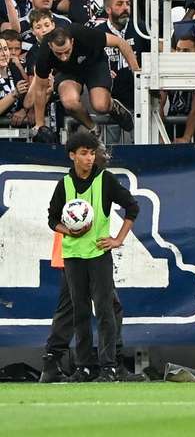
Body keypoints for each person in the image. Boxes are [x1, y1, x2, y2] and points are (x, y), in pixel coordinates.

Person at [46, 131, 139, 382]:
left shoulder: (105, 180)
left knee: (105, 311)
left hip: (99, 254)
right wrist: (70, 230)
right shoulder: (64, 183)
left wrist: (118, 239)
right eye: (84, 153)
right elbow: (52, 218)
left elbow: (132, 207)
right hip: (73, 256)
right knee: (80, 312)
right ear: (72, 155)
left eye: (92, 153)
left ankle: (108, 367)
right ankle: (84, 366)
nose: (90, 158)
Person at [27, 24, 138, 139]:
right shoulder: (44, 54)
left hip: (94, 64)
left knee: (100, 105)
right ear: (50, 46)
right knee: (69, 101)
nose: (64, 57)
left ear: (72, 42)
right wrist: (39, 123)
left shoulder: (83, 33)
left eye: (67, 51)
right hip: (68, 72)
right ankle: (93, 128)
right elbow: (40, 89)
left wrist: (136, 71)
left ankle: (113, 106)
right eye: (58, 54)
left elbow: (120, 42)